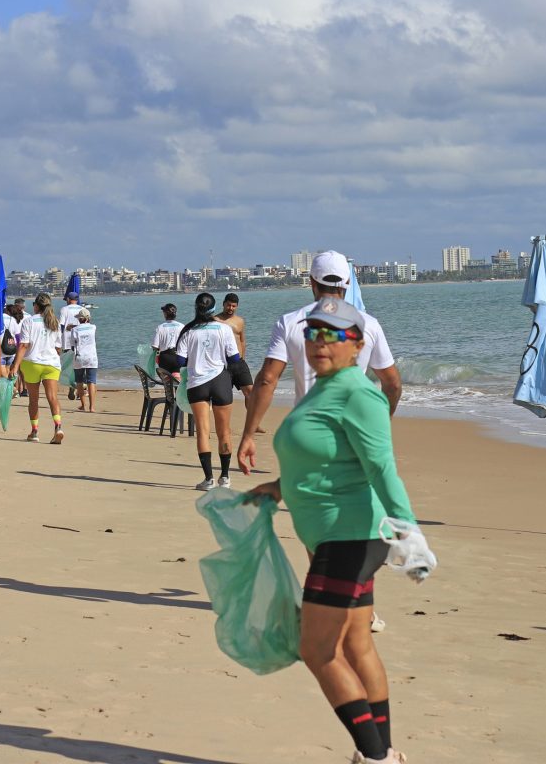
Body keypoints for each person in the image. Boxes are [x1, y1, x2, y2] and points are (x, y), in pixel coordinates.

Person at [248, 297, 417, 764]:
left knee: (317, 648)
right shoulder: (325, 388)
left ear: (357, 344)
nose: (320, 342)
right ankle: (384, 755)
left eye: (333, 334)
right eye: (313, 333)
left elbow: (382, 466)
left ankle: (375, 756)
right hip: (335, 534)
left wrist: (408, 532)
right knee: (355, 644)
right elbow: (327, 460)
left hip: (351, 536)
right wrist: (279, 489)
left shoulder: (357, 393)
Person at [237, 250, 401, 475]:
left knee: (310, 503)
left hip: (307, 434)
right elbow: (392, 384)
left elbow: (267, 380)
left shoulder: (290, 322)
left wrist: (248, 435)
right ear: (348, 282)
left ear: (311, 282)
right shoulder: (368, 324)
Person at [174, 293, 241, 490]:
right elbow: (235, 358)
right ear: (214, 308)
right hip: (220, 381)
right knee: (224, 431)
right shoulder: (224, 328)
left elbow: (180, 361)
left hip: (197, 383)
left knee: (203, 432)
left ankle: (208, 479)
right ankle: (226, 477)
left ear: (196, 308)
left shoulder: (188, 331)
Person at [9, 293, 65, 444]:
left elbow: (24, 345)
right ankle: (58, 427)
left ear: (36, 306)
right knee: (52, 397)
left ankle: (34, 432)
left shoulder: (29, 321)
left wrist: (15, 366)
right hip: (52, 363)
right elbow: (58, 348)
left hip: (32, 363)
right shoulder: (55, 322)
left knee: (34, 399)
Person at [215, 292, 262, 431]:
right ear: (223, 304)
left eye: (233, 306)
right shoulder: (215, 320)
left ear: (237, 306)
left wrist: (243, 358)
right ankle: (224, 426)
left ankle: (254, 424)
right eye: (228, 305)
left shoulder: (240, 321)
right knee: (224, 397)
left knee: (251, 393)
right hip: (223, 364)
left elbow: (242, 340)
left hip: (239, 363)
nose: (230, 308)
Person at [71, 308, 98, 412]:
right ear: (88, 318)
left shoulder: (75, 330)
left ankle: (83, 405)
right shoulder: (93, 327)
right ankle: (92, 407)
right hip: (92, 357)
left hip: (79, 357)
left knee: (79, 382)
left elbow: (73, 345)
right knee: (91, 381)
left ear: (79, 319)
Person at [59, 290, 82, 400]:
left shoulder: (64, 309)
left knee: (68, 365)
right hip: (79, 341)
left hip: (67, 341)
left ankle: (72, 385)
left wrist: (59, 339)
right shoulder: (82, 309)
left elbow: (62, 325)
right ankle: (79, 388)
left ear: (68, 299)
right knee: (78, 365)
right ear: (77, 299)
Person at [152, 303, 184, 373]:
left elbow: (155, 346)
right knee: (177, 379)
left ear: (165, 314)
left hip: (165, 358)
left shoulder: (160, 327)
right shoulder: (182, 326)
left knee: (167, 381)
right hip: (178, 357)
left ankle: (168, 383)